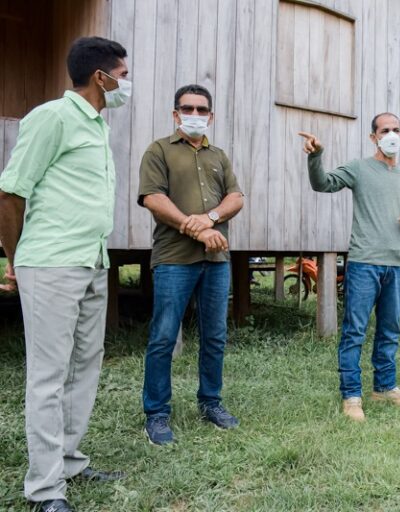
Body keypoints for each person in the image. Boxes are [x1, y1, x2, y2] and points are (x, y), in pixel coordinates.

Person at [0, 37, 129, 512]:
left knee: (83, 368)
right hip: (51, 263)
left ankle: (70, 462)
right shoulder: (52, 117)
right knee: (48, 377)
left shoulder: (96, 126)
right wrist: (17, 259)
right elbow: (11, 193)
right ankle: (45, 489)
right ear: (102, 77)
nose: (125, 84)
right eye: (123, 74)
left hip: (92, 261)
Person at [298, 113, 400, 422]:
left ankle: (385, 387)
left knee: (390, 330)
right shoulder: (359, 168)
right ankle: (352, 396)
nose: (391, 134)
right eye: (385, 130)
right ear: (373, 137)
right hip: (365, 263)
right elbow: (322, 184)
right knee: (355, 331)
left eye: (396, 129)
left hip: (397, 264)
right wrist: (316, 157)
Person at [139, 84, 244, 445]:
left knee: (215, 336)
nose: (195, 115)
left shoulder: (219, 155)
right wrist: (194, 229)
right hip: (174, 259)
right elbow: (153, 199)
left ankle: (211, 402)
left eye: (202, 110)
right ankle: (156, 413)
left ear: (211, 116)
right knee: (164, 336)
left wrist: (210, 218)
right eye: (188, 108)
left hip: (217, 260)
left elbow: (235, 197)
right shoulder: (159, 150)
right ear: (175, 113)